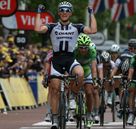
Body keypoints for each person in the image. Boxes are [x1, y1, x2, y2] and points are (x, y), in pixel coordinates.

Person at [34, 1, 97, 129]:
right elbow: (37, 29)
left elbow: (93, 30)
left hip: (70, 59)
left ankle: (73, 95)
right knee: (55, 90)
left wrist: (91, 14)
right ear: (58, 12)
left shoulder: (77, 27)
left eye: (67, 10)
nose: (64, 12)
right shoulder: (52, 26)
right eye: (62, 10)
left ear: (71, 13)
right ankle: (55, 118)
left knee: (80, 73)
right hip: (56, 60)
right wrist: (38, 13)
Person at [74, 34, 98, 127]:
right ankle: (73, 101)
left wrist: (95, 80)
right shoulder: (74, 50)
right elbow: (69, 65)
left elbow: (94, 67)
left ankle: (89, 114)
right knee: (72, 85)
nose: (83, 49)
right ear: (78, 46)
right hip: (76, 68)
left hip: (87, 69)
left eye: (85, 47)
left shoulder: (92, 51)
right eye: (81, 47)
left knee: (89, 92)